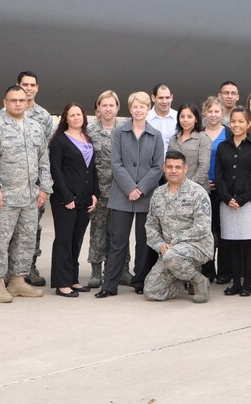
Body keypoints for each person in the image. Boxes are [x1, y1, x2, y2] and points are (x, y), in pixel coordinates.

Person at [0, 85, 52, 303]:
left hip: (29, 196)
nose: (18, 104)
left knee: (26, 240)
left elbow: (43, 160)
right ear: (5, 102)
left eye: (22, 100)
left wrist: (45, 188)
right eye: (14, 100)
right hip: (3, 197)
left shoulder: (35, 127)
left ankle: (18, 281)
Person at [97, 92, 164, 298]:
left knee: (144, 242)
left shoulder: (155, 135)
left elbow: (157, 167)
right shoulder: (119, 132)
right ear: (130, 108)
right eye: (135, 107)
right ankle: (109, 284)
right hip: (122, 196)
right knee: (117, 242)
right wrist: (129, 188)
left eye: (142, 107)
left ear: (147, 109)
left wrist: (141, 189)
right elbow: (115, 163)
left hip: (146, 196)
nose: (138, 110)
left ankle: (140, 280)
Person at [144, 151, 215, 303]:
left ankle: (199, 280)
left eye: (178, 167)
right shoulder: (158, 194)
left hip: (198, 246)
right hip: (169, 251)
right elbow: (150, 225)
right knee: (151, 292)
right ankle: (183, 277)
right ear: (164, 168)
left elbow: (203, 226)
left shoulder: (197, 192)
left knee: (172, 256)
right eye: (170, 167)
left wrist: (176, 241)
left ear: (185, 169)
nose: (173, 171)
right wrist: (160, 245)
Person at [48, 103, 98, 297]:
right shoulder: (59, 141)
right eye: (72, 115)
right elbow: (56, 170)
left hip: (85, 199)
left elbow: (91, 169)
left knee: (76, 240)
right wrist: (67, 196)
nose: (76, 117)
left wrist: (95, 194)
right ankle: (62, 284)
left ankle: (73, 279)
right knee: (64, 240)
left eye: (79, 114)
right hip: (65, 199)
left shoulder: (87, 138)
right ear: (65, 118)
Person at [214, 107, 251, 296]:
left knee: (247, 243)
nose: (236, 125)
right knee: (231, 242)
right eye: (233, 121)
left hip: (248, 202)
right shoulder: (223, 147)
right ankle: (235, 282)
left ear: (248, 124)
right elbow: (219, 176)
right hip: (227, 202)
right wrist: (227, 198)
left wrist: (241, 199)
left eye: (241, 121)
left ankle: (247, 282)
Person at [17, 71, 55, 287]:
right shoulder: (5, 113)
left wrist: (45, 186)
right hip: (11, 184)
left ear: (37, 88)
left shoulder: (44, 117)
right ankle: (8, 271)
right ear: (18, 85)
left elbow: (46, 155)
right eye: (25, 84)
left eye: (32, 85)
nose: (29, 88)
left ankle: (29, 267)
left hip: (34, 185)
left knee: (33, 229)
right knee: (10, 230)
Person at [87, 90, 121, 288]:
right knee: (97, 231)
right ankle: (95, 271)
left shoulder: (125, 130)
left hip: (120, 191)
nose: (108, 109)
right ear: (98, 108)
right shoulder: (90, 132)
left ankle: (121, 269)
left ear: (117, 107)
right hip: (98, 191)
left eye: (111, 105)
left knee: (119, 232)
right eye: (104, 105)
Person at [202, 96, 229, 282]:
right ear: (204, 113)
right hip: (203, 189)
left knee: (223, 230)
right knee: (206, 231)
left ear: (222, 113)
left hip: (223, 189)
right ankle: (207, 270)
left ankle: (225, 271)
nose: (213, 115)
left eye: (217, 111)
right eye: (210, 111)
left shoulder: (228, 133)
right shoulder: (199, 134)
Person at [167, 103, 211, 192]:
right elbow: (168, 164)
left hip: (197, 190)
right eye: (182, 117)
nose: (185, 120)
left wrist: (188, 187)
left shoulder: (203, 138)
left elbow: (204, 166)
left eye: (189, 117)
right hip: (175, 189)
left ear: (196, 119)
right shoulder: (173, 139)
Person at [147, 84, 178, 155]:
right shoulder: (145, 119)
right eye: (161, 98)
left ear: (172, 97)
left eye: (167, 97)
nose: (164, 101)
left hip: (173, 164)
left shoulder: (179, 117)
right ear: (153, 98)